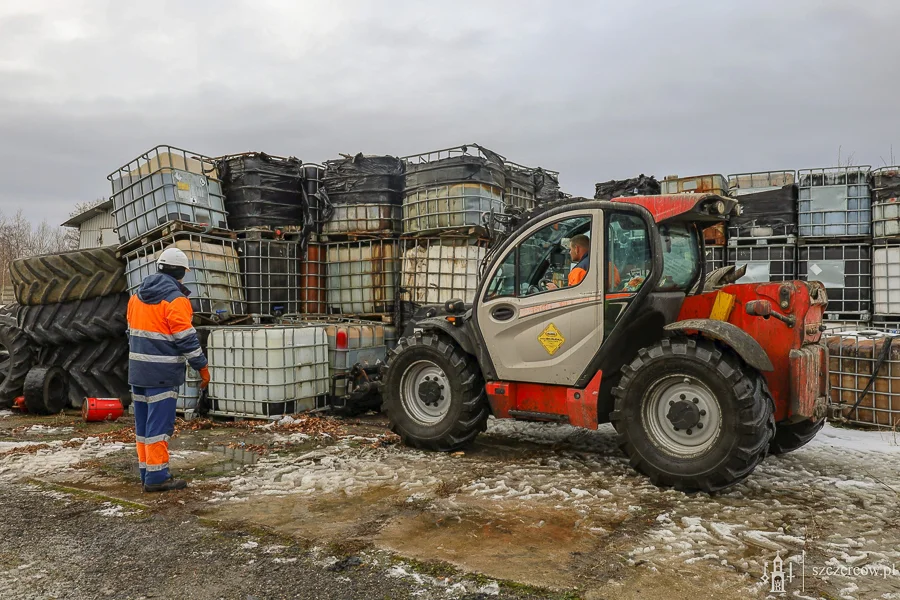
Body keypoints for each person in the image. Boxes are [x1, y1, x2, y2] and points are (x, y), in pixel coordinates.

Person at [127, 247, 210, 493]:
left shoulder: (135, 297)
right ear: (180, 273)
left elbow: (131, 332)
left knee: (143, 426)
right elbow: (187, 340)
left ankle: (147, 472)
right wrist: (203, 369)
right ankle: (157, 478)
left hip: (138, 372)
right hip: (162, 375)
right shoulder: (176, 300)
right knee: (159, 427)